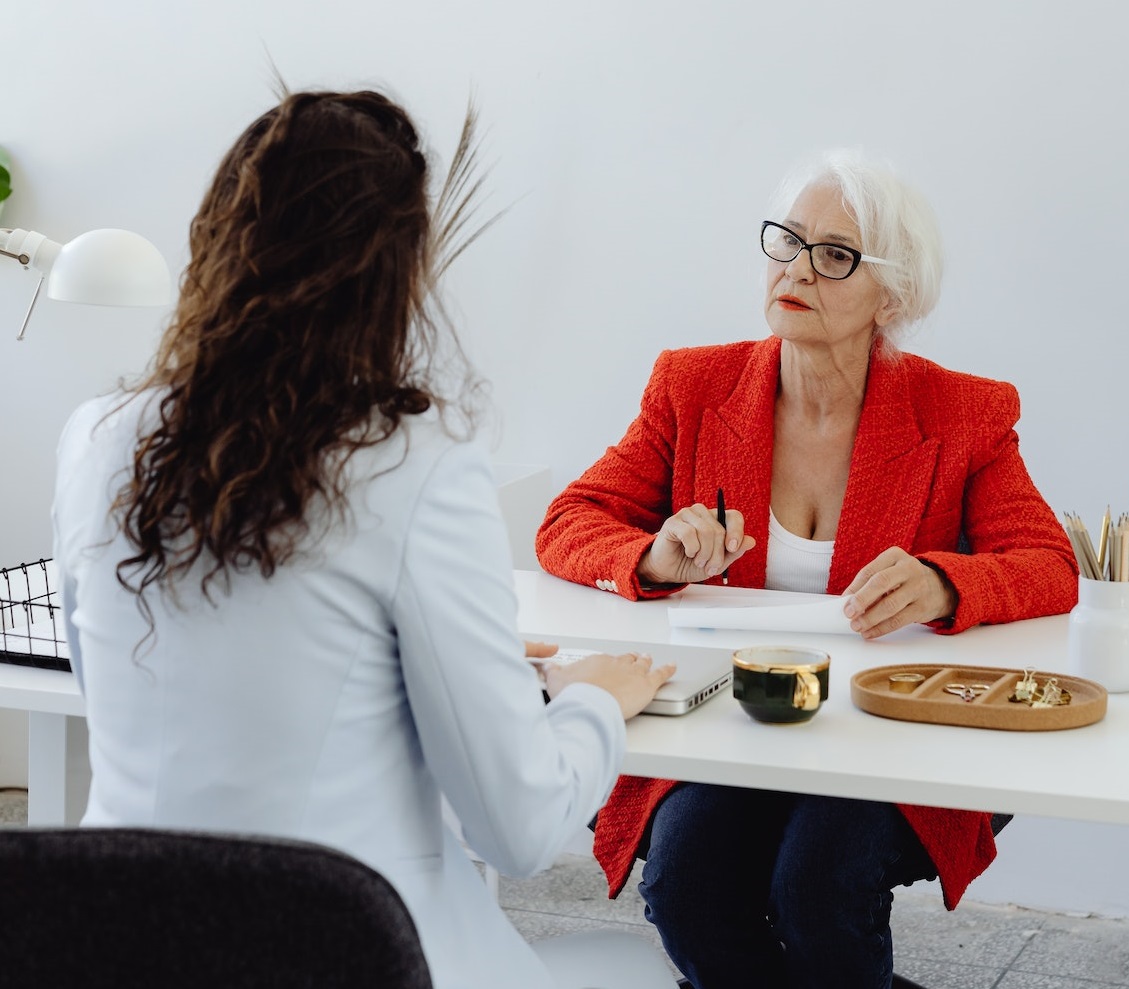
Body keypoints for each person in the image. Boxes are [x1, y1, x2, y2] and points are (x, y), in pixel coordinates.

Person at [51, 90, 679, 989]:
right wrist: (588, 702)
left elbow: (130, 680)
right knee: (639, 969)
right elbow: (521, 827)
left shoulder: (93, 437)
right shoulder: (414, 464)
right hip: (343, 953)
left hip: (114, 944)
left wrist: (455, 675)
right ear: (393, 273)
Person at [535, 148, 1079, 989]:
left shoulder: (964, 412)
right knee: (687, 887)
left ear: (890, 296)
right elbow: (569, 522)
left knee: (817, 891)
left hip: (887, 739)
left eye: (834, 254)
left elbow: (1046, 563)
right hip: (736, 728)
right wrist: (650, 554)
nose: (796, 269)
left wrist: (943, 580)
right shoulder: (692, 385)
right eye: (786, 242)